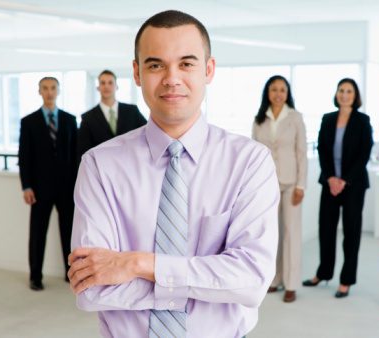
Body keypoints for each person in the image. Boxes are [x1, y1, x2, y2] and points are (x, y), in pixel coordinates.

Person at [68, 10, 279, 338]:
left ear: (208, 70)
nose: (171, 78)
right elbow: (90, 289)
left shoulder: (249, 162)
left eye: (186, 63)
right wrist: (208, 285)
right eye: (155, 65)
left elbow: (251, 282)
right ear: (137, 73)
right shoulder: (99, 166)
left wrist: (138, 264)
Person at [303, 78, 373, 298]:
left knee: (351, 232)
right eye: (341, 90)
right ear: (336, 94)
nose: (344, 94)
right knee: (326, 229)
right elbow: (322, 150)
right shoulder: (328, 118)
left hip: (354, 185)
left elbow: (364, 153)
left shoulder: (362, 120)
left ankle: (346, 280)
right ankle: (324, 273)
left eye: (349, 91)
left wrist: (344, 180)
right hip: (330, 183)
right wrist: (331, 178)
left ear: (355, 96)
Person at [18, 77, 77, 291]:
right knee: (37, 233)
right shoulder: (29, 121)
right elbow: (24, 156)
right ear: (39, 92)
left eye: (53, 88)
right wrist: (27, 186)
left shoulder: (70, 120)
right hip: (39, 189)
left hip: (66, 188)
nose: (49, 92)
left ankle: (71, 273)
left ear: (58, 91)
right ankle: (35, 276)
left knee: (70, 232)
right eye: (45, 88)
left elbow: (75, 156)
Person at [252, 75, 307, 303]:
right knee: (270, 234)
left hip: (291, 182)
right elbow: (253, 153)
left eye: (282, 90)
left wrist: (301, 185)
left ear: (287, 93)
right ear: (268, 92)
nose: (278, 93)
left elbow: (301, 153)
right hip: (266, 184)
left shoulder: (295, 118)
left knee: (291, 232)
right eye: (274, 89)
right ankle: (273, 279)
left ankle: (291, 283)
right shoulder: (259, 119)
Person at [77, 69, 147, 162]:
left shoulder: (132, 111)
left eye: (110, 83)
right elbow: (83, 151)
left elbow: (146, 134)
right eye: (103, 83)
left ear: (116, 86)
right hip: (102, 169)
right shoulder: (87, 118)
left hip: (131, 165)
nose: (106, 86)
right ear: (98, 87)